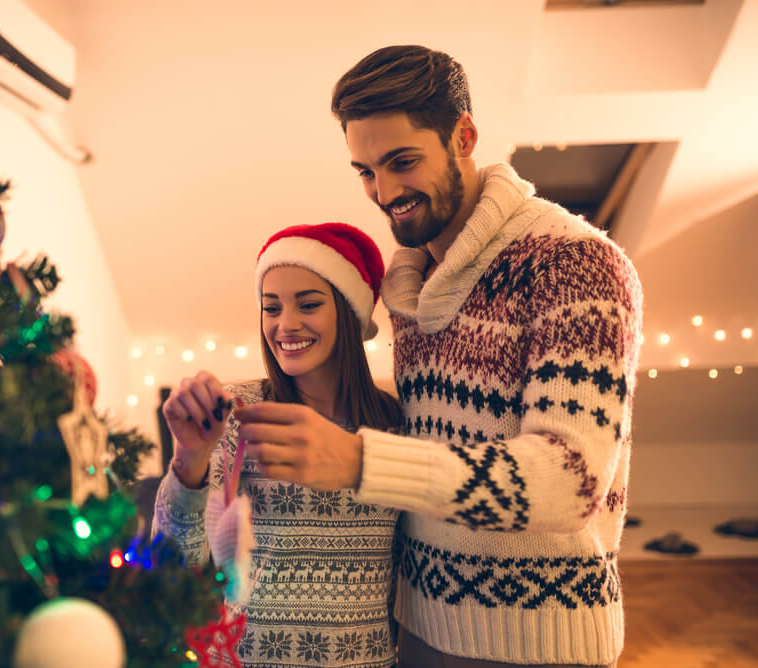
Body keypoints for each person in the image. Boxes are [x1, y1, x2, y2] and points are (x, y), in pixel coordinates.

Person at [235, 46, 643, 668]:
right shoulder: (410, 288)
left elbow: (570, 480)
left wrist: (362, 460)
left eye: (402, 162)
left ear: (465, 136)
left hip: (539, 640)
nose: (385, 191)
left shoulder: (574, 262)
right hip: (417, 631)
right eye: (366, 171)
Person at [152, 222, 404, 668]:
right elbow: (173, 570)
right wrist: (189, 459)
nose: (286, 324)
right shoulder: (237, 415)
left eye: (308, 304)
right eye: (271, 308)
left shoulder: (395, 425)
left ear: (348, 312)